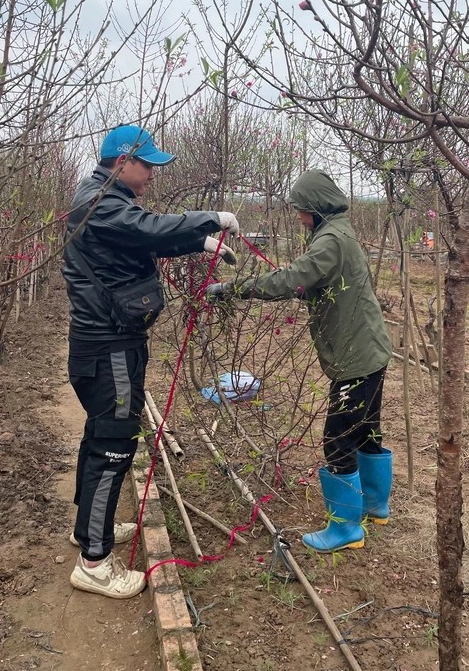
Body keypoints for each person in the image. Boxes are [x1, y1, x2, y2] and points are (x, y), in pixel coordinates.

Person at [62, 124, 239, 598]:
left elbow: (144, 237)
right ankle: (94, 561)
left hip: (110, 342)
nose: (151, 176)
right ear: (122, 161)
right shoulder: (98, 203)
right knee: (115, 442)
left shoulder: (104, 198)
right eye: (147, 166)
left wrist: (196, 243)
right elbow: (144, 228)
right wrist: (208, 220)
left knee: (101, 435)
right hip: (109, 346)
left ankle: (89, 530)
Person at [206, 169, 392, 553]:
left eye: (301, 210)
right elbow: (310, 280)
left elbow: (292, 279)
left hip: (355, 356)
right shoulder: (336, 231)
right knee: (366, 432)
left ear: (317, 207)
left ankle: (345, 528)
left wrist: (232, 289)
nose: (298, 216)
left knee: (338, 440)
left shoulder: (330, 240)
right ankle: (376, 507)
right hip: (369, 350)